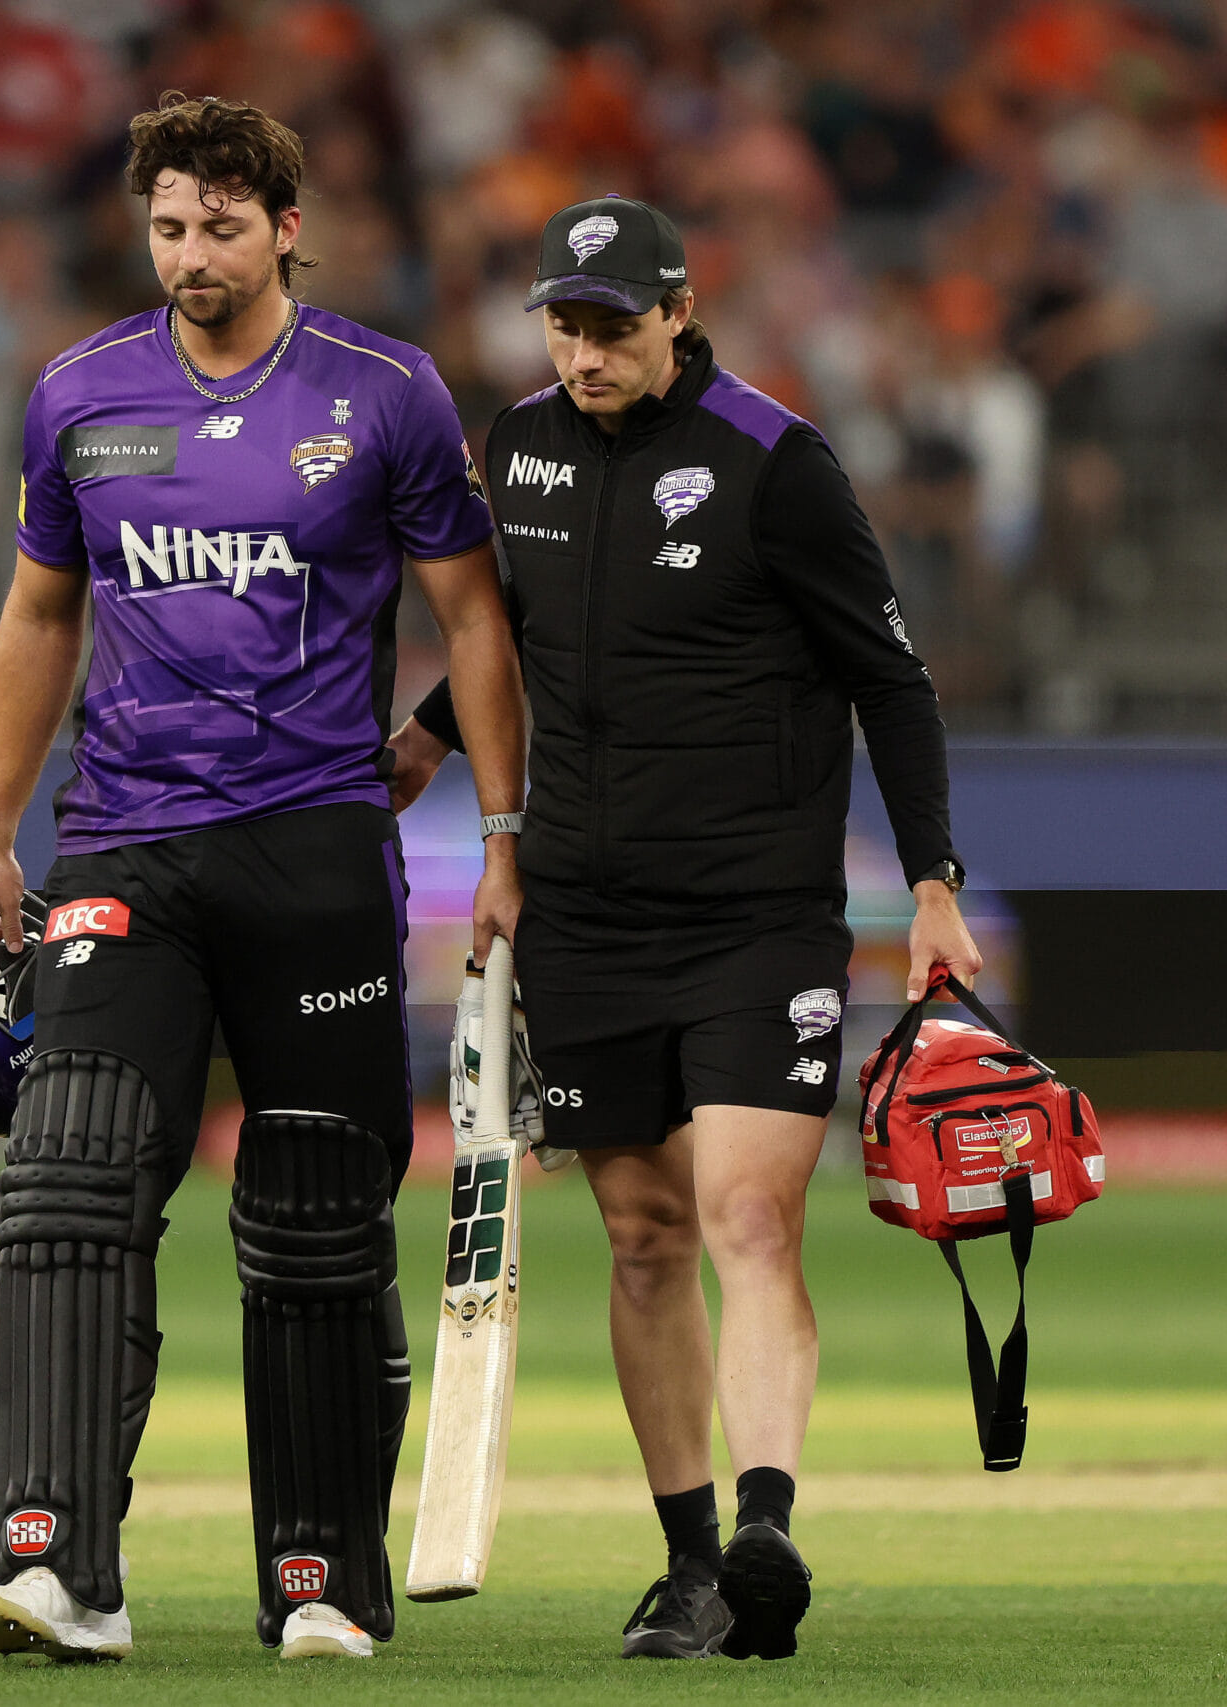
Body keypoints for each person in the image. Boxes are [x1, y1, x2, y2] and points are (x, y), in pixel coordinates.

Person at [0, 91, 527, 1663]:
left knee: (321, 1213)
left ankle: (321, 1573)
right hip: (124, 842)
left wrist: (502, 836)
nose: (188, 252)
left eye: (218, 224)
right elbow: (41, 617)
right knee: (70, 1176)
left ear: (285, 227)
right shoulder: (80, 392)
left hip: (320, 849)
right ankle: (61, 1562)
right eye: (166, 225)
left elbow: (476, 619)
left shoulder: (386, 393)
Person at [386, 195, 983, 1663]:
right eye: (563, 324)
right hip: (584, 911)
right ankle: (694, 1565)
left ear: (678, 312)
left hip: (758, 915)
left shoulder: (779, 464)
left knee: (744, 1216)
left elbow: (890, 684)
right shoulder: (516, 450)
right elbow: (507, 642)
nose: (583, 353)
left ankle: (770, 1523)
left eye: (611, 326)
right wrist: (423, 744)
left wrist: (933, 883)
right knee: (645, 1236)